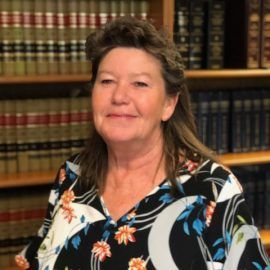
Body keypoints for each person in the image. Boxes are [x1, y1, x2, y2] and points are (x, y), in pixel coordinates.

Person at [15, 16, 269, 270]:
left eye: (140, 83)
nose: (119, 96)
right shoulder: (72, 175)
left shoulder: (213, 190)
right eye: (107, 81)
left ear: (169, 104)